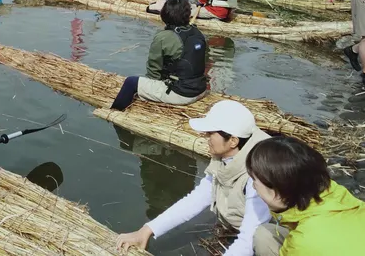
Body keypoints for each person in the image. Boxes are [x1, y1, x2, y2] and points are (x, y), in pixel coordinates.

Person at [116, 100, 271, 255]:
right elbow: (197, 199)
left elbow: (249, 238)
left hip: (267, 238)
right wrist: (147, 230)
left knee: (261, 238)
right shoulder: (224, 157)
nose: (205, 136)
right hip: (239, 230)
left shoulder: (260, 174)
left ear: (233, 141)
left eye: (211, 133)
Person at [248, 136, 365, 256]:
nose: (253, 186)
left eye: (255, 181)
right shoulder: (336, 195)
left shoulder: (306, 241)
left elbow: (310, 242)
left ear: (277, 193)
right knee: (266, 233)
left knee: (264, 237)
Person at [111, 0, 207, 109]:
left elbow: (153, 71)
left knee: (130, 82)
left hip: (182, 94)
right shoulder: (197, 32)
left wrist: (149, 88)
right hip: (201, 88)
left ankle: (115, 111)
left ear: (164, 14)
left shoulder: (163, 37)